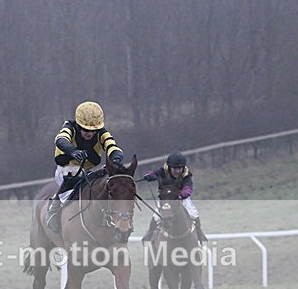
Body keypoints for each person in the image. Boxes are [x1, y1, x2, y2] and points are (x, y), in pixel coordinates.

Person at [45, 101, 125, 233]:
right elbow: (60, 139)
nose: (89, 133)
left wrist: (116, 160)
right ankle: (54, 208)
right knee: (74, 174)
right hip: (66, 169)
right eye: (85, 130)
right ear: (78, 125)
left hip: (87, 170)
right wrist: (73, 151)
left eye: (93, 131)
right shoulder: (69, 127)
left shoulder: (102, 133)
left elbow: (113, 147)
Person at [141, 151, 207, 243]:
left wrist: (181, 195)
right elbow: (154, 173)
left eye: (180, 168)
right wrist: (149, 176)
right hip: (165, 198)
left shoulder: (186, 175)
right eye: (175, 168)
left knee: (194, 214)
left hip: (181, 198)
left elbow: (188, 188)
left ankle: (199, 233)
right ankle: (150, 233)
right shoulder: (163, 171)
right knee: (156, 216)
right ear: (169, 167)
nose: (178, 171)